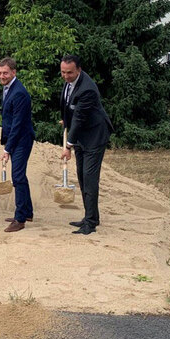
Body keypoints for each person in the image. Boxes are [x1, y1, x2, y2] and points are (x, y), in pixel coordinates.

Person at [59, 54, 114, 236]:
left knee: (89, 179)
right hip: (81, 136)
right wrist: (65, 120)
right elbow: (69, 106)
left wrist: (67, 146)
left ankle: (90, 223)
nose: (66, 76)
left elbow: (81, 116)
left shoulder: (87, 89)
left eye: (70, 73)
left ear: (79, 70)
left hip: (94, 136)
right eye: (63, 72)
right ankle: (91, 216)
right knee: (82, 177)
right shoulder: (69, 82)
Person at [0, 57, 34, 232]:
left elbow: (18, 124)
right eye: (0, 73)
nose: (2, 76)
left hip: (22, 139)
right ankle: (27, 212)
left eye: (5, 73)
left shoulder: (18, 92)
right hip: (16, 139)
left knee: (18, 177)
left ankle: (20, 219)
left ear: (14, 72)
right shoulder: (8, 88)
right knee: (20, 176)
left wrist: (7, 148)